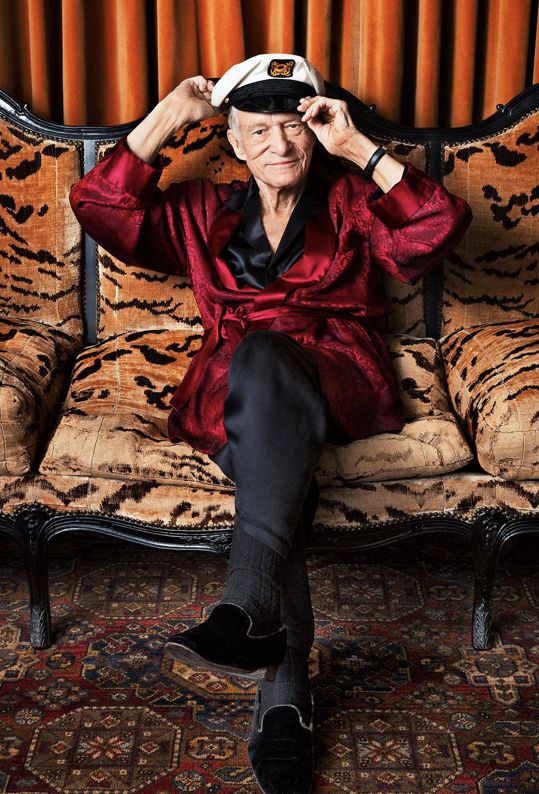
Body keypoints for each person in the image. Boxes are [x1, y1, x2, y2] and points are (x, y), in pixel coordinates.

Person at [69, 53, 473, 794]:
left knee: (263, 373)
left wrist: (358, 148)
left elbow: (437, 228)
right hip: (234, 395)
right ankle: (279, 689)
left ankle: (257, 637)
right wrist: (165, 117)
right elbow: (101, 210)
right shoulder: (200, 210)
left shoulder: (350, 201)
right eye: (258, 131)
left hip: (334, 374)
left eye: (296, 128)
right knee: (269, 455)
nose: (279, 147)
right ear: (230, 138)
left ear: (316, 131)